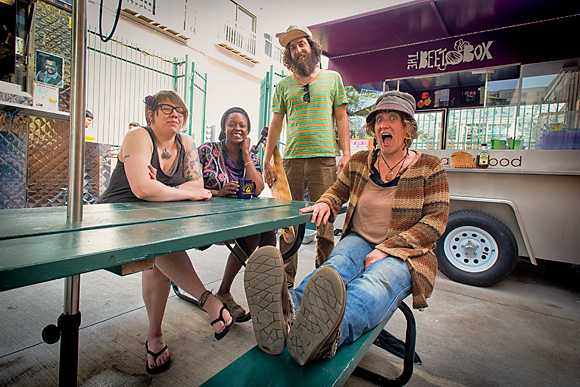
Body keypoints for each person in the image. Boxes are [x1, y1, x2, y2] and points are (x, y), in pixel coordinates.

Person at [244, 91, 450, 365]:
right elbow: (336, 190)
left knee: (375, 283)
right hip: (360, 238)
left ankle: (327, 336)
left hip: (405, 252)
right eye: (378, 119)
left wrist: (388, 249)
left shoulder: (429, 166)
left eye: (392, 118)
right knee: (333, 268)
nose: (383, 125)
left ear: (408, 127)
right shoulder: (360, 161)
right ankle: (285, 309)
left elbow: (436, 220)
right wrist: (325, 203)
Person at [96, 90, 235, 375]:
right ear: (151, 113)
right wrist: (179, 192)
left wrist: (164, 190)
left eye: (180, 111)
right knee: (159, 240)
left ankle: (154, 337)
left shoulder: (186, 142)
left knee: (159, 249)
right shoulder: (139, 137)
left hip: (156, 220)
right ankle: (208, 300)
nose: (175, 114)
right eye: (167, 109)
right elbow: (141, 190)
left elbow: (199, 188)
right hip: (115, 219)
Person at [262, 25, 350, 288]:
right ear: (288, 55)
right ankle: (285, 280)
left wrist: (346, 154)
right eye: (292, 47)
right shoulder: (283, 85)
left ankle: (323, 280)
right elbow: (276, 125)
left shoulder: (333, 79)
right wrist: (267, 160)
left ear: (312, 47)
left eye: (302, 44)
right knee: (288, 222)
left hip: (325, 158)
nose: (298, 49)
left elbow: (342, 117)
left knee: (326, 221)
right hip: (292, 161)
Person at [197, 107, 276, 321]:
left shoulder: (250, 156)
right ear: (224, 127)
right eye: (231, 124)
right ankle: (224, 291)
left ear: (248, 130)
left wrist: (246, 154)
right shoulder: (206, 150)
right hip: (207, 219)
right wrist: (217, 192)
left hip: (239, 219)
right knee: (251, 234)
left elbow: (258, 189)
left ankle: (269, 292)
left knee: (269, 231)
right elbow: (191, 183)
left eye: (242, 125)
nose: (237, 128)